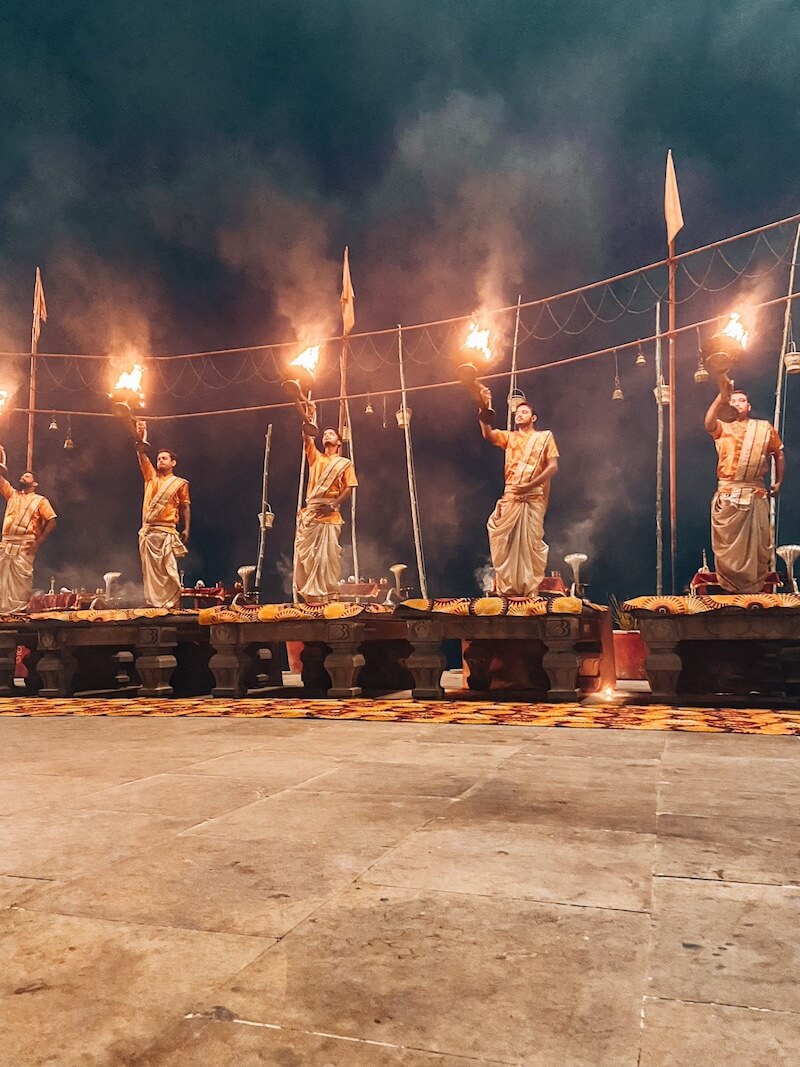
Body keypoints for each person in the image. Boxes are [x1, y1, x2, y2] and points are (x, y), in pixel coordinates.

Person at [704, 377, 785, 593]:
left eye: (742, 401)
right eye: (734, 400)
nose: (738, 403)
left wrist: (778, 482)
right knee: (728, 547)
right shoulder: (723, 427)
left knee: (759, 546)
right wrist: (721, 396)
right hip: (729, 495)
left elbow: (778, 453)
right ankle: (730, 588)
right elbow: (708, 423)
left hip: (755, 494)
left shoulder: (763, 428)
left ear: (748, 406)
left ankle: (754, 588)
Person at [477, 389, 559, 596]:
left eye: (524, 412)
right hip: (511, 497)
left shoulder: (544, 437)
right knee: (502, 541)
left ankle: (528, 592)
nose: (519, 415)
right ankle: (507, 591)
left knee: (531, 547)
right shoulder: (509, 437)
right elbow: (487, 433)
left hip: (533, 499)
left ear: (533, 418)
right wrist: (483, 407)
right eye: (517, 412)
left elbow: (552, 467)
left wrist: (530, 486)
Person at [293, 405, 358, 602]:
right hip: (311, 513)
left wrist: (334, 504)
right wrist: (309, 415)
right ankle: (311, 598)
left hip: (329, 515)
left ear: (338, 442)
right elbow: (307, 436)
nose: (326, 435)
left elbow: (349, 487)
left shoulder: (344, 463)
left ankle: (328, 596)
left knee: (326, 558)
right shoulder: (316, 458)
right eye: (325, 433)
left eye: (331, 434)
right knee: (307, 559)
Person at [134, 423, 190, 609]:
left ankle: (172, 606)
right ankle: (153, 606)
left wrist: (187, 529)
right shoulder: (151, 477)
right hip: (150, 534)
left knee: (170, 571)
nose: (160, 461)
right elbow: (142, 455)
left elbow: (185, 507)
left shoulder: (180, 484)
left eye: (164, 458)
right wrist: (141, 439)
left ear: (173, 462)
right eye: (158, 458)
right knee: (150, 574)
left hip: (167, 533)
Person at [0, 450, 57, 611]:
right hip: (6, 544)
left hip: (25, 546)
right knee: (1, 581)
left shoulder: (40, 500)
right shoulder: (13, 495)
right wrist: (2, 458)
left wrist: (38, 542)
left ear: (35, 483)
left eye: (27, 476)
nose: (23, 478)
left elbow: (52, 521)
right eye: (22, 476)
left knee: (21, 581)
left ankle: (18, 611)